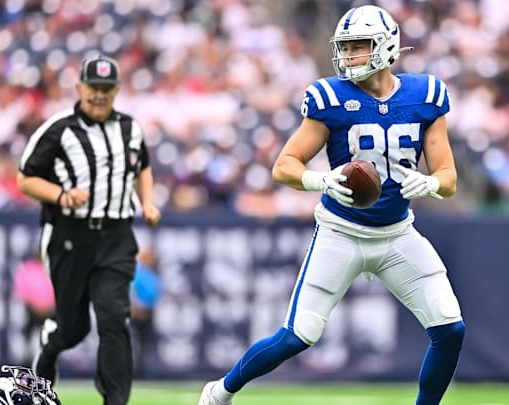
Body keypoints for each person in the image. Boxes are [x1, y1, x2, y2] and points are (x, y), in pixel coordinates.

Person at [199, 5, 465, 405]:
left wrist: (429, 183)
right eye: (347, 47)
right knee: (298, 335)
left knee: (450, 328)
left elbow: (449, 179)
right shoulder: (331, 97)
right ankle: (219, 393)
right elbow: (283, 166)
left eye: (359, 46)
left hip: (397, 235)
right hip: (341, 232)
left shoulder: (424, 95)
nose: (350, 56)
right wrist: (320, 179)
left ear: (386, 46)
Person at [17, 54, 161, 405]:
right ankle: (50, 350)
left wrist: (149, 201)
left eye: (106, 89)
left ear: (116, 91)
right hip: (70, 236)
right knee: (72, 328)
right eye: (93, 88)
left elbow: (142, 165)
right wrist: (61, 195)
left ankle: (115, 401)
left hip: (115, 235)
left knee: (114, 316)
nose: (99, 95)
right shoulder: (59, 128)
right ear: (80, 88)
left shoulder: (130, 128)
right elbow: (25, 178)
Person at [13, 250, 55, 366]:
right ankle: (26, 364)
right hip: (31, 310)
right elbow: (22, 290)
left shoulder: (48, 268)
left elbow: (53, 290)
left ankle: (45, 363)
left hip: (47, 311)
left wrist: (47, 306)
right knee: (29, 338)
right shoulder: (27, 268)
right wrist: (35, 306)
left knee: (47, 338)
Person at [129, 248, 161, 378]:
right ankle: (131, 371)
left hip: (148, 314)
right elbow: (131, 292)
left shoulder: (153, 275)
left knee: (145, 344)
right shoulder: (138, 273)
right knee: (133, 343)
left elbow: (154, 296)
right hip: (136, 314)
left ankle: (141, 371)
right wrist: (134, 308)